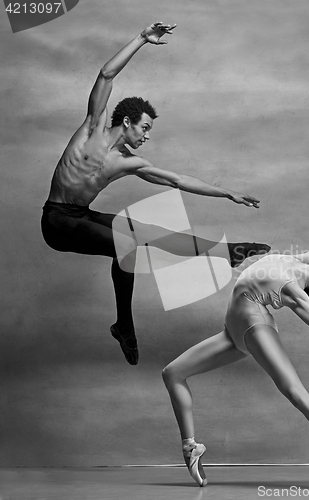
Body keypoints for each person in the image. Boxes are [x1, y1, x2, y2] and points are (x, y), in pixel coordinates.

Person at [41, 22, 270, 365]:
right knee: (128, 248)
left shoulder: (130, 163)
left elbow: (178, 180)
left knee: (143, 234)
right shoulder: (92, 128)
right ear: (128, 122)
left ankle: (226, 252)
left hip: (81, 215)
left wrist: (227, 193)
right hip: (57, 221)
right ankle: (125, 325)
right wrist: (142, 40)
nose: (147, 136)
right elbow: (106, 75)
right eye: (145, 128)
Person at [162, 187, 309, 489]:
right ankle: (190, 447)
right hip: (233, 331)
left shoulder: (295, 291)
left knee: (296, 393)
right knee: (173, 373)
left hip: (254, 326)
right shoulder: (306, 260)